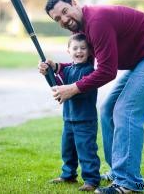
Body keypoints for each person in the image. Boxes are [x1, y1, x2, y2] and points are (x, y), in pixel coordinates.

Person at [39, 0, 144, 193]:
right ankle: (118, 172)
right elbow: (84, 65)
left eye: (65, 12)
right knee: (107, 110)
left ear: (74, 4)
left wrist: (72, 89)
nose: (64, 19)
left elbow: (106, 71)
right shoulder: (83, 27)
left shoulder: (97, 21)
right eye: (58, 19)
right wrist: (57, 66)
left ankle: (128, 182)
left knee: (125, 111)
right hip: (142, 61)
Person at [40, 33, 101, 192]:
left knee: (86, 150)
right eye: (75, 48)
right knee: (68, 150)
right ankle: (68, 175)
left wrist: (69, 88)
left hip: (85, 120)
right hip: (69, 119)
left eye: (83, 48)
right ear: (68, 50)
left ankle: (91, 179)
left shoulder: (89, 71)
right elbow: (58, 85)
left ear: (89, 52)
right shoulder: (68, 69)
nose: (79, 51)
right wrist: (48, 73)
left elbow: (82, 90)